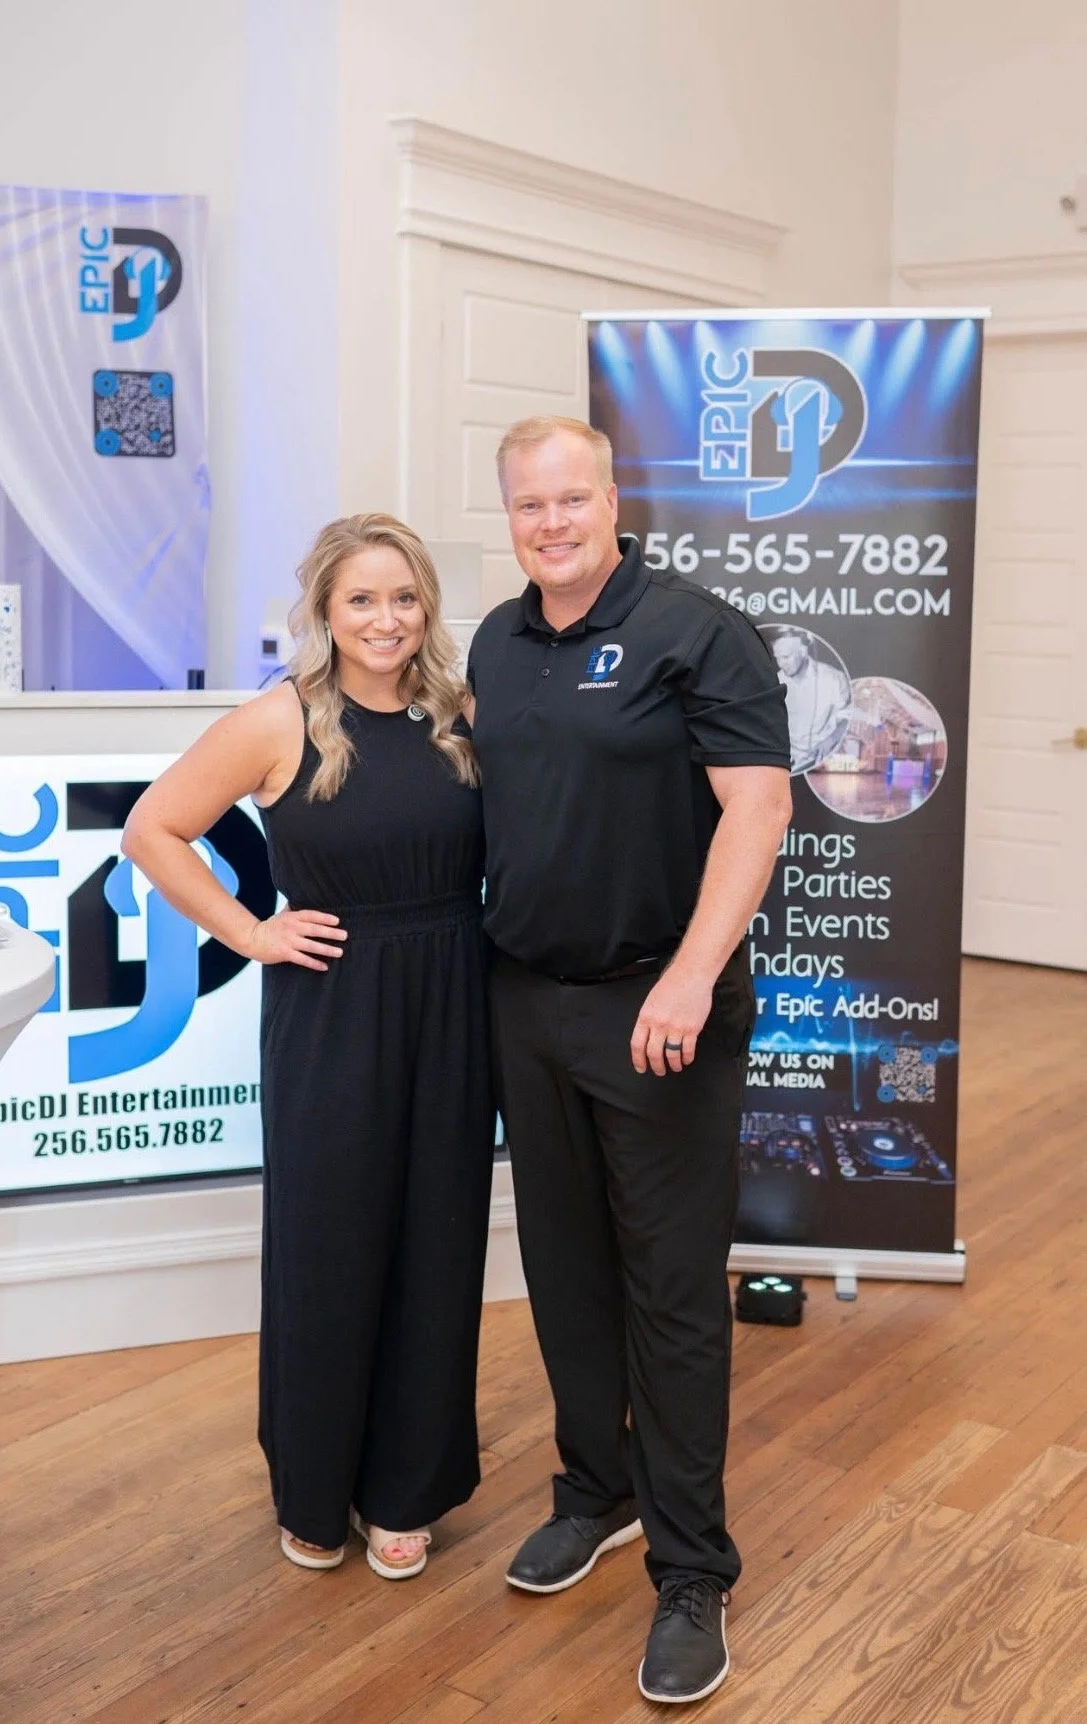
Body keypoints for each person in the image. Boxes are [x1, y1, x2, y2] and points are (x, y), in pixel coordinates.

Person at [467, 416, 792, 1705]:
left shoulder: (696, 630)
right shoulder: (497, 639)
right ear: (510, 515)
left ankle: (692, 1567)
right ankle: (595, 1492)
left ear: (614, 497)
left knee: (669, 1290)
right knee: (564, 1269)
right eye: (528, 504)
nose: (551, 522)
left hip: (658, 1007)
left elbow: (757, 806)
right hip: (525, 1004)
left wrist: (692, 975)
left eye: (571, 498)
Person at [122, 513, 494, 1581]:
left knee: (436, 1242)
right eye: (361, 599)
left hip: (452, 998)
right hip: (330, 1003)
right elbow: (153, 827)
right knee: (328, 1247)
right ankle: (315, 1485)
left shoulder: (459, 714)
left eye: (404, 597)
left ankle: (405, 1489)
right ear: (325, 614)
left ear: (427, 607)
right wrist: (249, 932)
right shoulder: (281, 718)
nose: (385, 618)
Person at [769, 627, 851, 773]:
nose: (781, 664)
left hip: (825, 762)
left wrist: (830, 741)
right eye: (777, 658)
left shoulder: (833, 678)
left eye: (786, 657)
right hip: (787, 764)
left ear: (803, 651)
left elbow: (846, 718)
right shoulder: (775, 682)